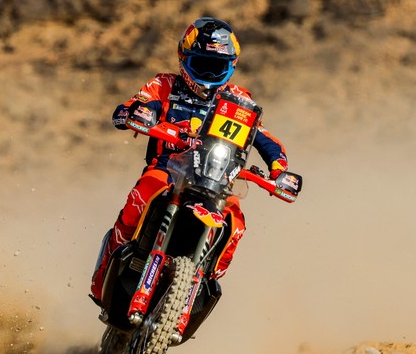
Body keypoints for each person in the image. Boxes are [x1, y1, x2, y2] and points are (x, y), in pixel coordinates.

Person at [90, 17, 290, 302]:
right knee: (141, 196)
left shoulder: (237, 100)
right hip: (167, 171)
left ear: (230, 66)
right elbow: (133, 107)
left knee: (236, 224)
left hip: (217, 183)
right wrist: (136, 112)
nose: (209, 73)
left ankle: (205, 281)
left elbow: (264, 137)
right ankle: (103, 277)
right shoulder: (164, 85)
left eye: (216, 66)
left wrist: (279, 169)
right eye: (202, 64)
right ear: (184, 60)